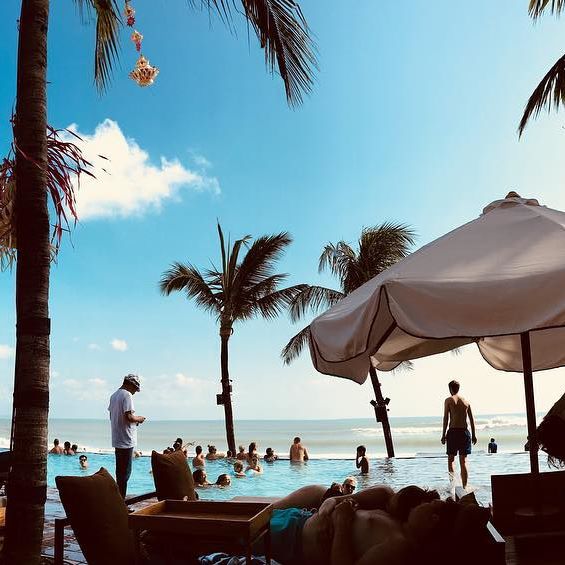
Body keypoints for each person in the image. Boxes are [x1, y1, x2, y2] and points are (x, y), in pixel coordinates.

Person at [258, 483, 445, 564]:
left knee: (246, 534)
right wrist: (326, 515)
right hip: (299, 520)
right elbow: (334, 501)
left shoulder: (399, 544)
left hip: (294, 542)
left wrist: (342, 522)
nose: (424, 505)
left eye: (429, 506)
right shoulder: (391, 514)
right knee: (248, 526)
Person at [108, 373, 146, 498]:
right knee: (125, 473)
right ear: (130, 384)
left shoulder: (114, 395)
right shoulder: (127, 395)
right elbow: (129, 417)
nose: (135, 392)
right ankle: (121, 502)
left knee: (120, 472)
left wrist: (132, 422)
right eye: (135, 388)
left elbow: (113, 417)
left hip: (117, 437)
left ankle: (118, 499)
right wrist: (139, 419)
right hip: (126, 439)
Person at [440, 380, 477, 489]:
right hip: (465, 432)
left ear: (450, 389)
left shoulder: (448, 400)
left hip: (453, 432)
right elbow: (472, 420)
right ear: (458, 388)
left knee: (451, 460)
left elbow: (446, 418)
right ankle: (465, 487)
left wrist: (443, 434)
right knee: (463, 461)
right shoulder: (466, 402)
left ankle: (452, 485)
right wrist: (474, 435)